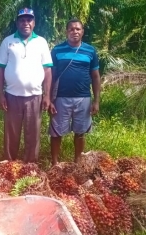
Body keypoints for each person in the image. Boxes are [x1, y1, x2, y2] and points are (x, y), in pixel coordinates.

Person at [0, 8, 53, 163]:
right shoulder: (8, 42)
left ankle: (31, 165)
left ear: (34, 23)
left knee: (33, 134)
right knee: (11, 133)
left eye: (29, 20)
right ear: (17, 22)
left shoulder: (41, 42)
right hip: (12, 95)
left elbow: (47, 70)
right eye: (22, 20)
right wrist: (1, 94)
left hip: (35, 96)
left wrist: (47, 96)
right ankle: (9, 165)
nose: (25, 23)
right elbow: (0, 69)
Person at [49, 18, 101, 166]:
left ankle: (78, 162)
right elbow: (51, 76)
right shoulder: (57, 50)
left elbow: (96, 76)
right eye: (71, 29)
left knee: (80, 132)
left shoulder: (90, 51)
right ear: (66, 32)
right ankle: (55, 163)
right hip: (60, 97)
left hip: (83, 98)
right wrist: (49, 99)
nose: (75, 32)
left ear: (82, 32)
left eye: (78, 29)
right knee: (56, 132)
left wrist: (96, 101)